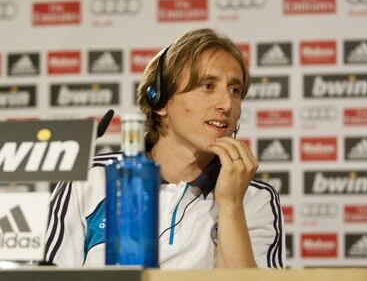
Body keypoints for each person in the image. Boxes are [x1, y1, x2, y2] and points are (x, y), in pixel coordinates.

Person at [44, 28, 285, 269]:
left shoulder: (256, 198)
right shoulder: (90, 179)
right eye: (207, 86)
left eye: (235, 90)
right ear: (159, 100)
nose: (227, 104)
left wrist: (231, 205)